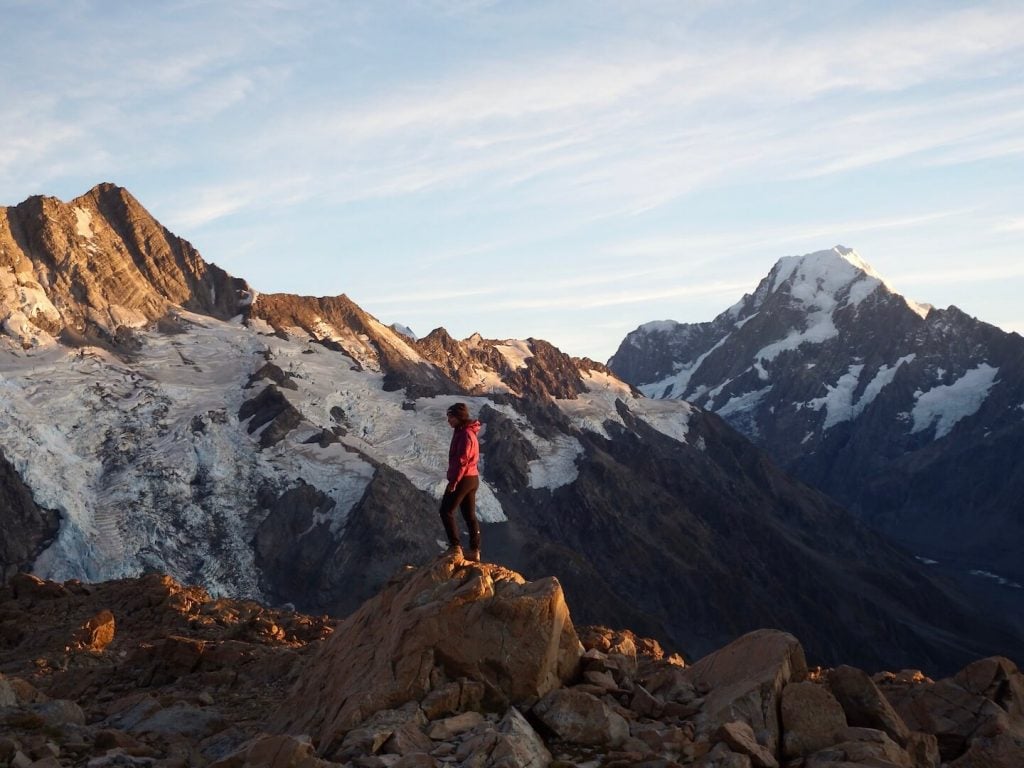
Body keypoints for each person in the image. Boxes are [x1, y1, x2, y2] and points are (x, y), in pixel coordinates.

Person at [439, 402, 481, 562]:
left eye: (450, 417)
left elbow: (462, 460)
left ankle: (455, 547)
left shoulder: (465, 435)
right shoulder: (467, 432)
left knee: (446, 511)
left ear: (458, 417)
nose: (448, 420)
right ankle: (474, 550)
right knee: (469, 515)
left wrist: (454, 481)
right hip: (472, 478)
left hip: (463, 478)